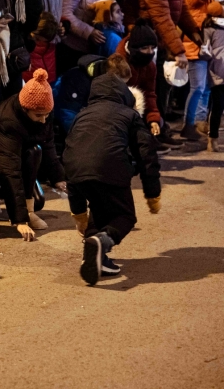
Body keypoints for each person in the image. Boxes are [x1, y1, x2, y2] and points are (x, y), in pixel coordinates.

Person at [64, 72, 161, 286]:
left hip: (75, 171)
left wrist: (78, 211)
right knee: (124, 216)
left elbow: (72, 151)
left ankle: (95, 257)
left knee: (98, 208)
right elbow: (146, 154)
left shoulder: (82, 114)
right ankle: (102, 241)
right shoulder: (129, 114)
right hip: (110, 167)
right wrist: (152, 193)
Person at [0, 70, 67, 241]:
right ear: (25, 109)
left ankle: (29, 210)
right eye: (38, 115)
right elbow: (10, 169)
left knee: (35, 156)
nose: (44, 120)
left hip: (18, 147)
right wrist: (19, 220)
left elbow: (48, 144)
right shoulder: (10, 121)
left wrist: (58, 177)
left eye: (46, 115)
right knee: (25, 159)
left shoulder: (44, 109)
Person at [124, 0, 201, 146]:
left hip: (157, 38)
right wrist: (179, 51)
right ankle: (149, 135)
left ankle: (160, 128)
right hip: (145, 38)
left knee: (161, 86)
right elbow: (161, 16)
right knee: (149, 88)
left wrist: (193, 31)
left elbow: (180, 6)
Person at [180, 0, 224, 140]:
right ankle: (188, 124)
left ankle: (199, 122)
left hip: (202, 49)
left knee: (205, 89)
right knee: (197, 88)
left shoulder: (203, 0)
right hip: (193, 49)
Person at [115, 20, 171, 153]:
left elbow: (150, 93)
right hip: (120, 109)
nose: (149, 52)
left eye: (153, 48)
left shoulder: (150, 66)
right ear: (134, 48)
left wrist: (153, 119)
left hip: (137, 108)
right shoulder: (118, 63)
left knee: (159, 121)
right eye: (145, 48)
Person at [204, 4, 224, 152]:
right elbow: (205, 50)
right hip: (217, 72)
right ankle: (213, 138)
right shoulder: (209, 29)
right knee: (218, 106)